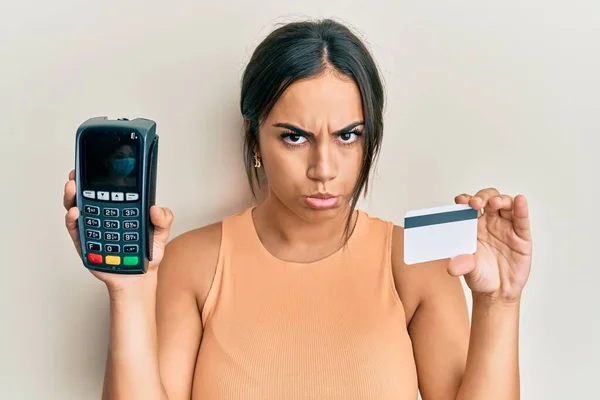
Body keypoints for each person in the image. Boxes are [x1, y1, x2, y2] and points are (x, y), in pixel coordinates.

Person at [62, 19, 533, 400]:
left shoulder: (419, 264)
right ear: (256, 139)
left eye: (348, 135)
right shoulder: (193, 263)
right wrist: (129, 293)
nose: (323, 168)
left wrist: (500, 302)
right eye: (295, 136)